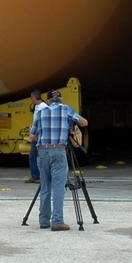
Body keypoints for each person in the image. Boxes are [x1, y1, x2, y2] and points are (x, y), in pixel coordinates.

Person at [29, 88, 88, 232]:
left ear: (48, 100)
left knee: (45, 186)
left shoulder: (41, 112)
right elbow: (84, 123)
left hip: (42, 152)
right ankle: (57, 221)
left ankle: (44, 220)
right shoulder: (65, 109)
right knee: (58, 187)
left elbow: (32, 137)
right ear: (60, 99)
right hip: (58, 150)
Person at [26, 89, 48, 184]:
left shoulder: (43, 107)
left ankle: (38, 176)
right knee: (33, 156)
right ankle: (35, 175)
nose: (31, 99)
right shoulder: (37, 106)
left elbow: (42, 122)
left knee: (37, 156)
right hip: (35, 134)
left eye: (31, 97)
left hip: (39, 135)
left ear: (35, 97)